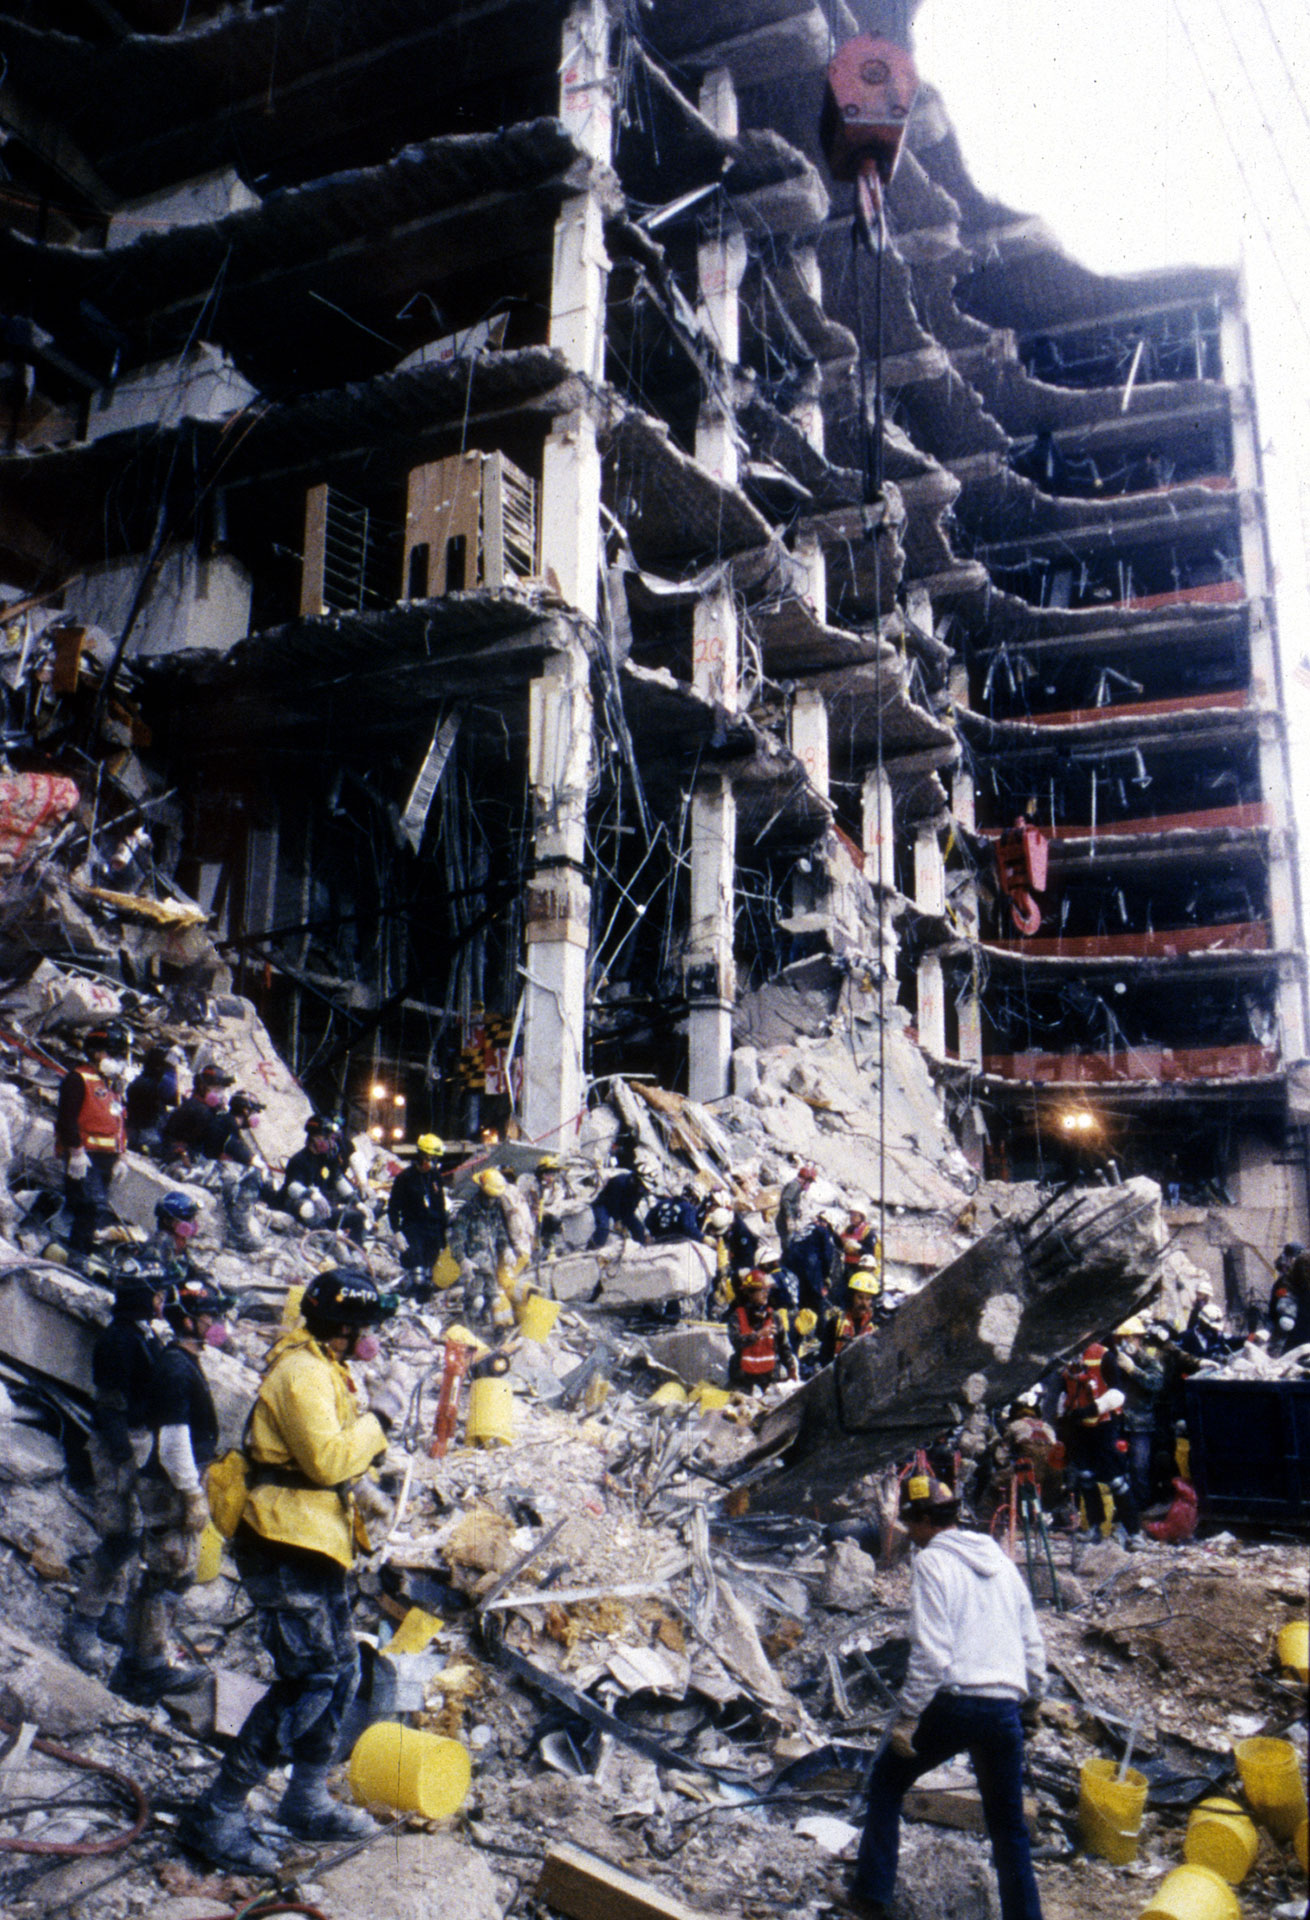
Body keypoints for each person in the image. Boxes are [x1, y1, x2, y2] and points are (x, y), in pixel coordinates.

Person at [178, 1267, 393, 1875]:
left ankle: (306, 1798)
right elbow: (324, 1460)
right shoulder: (301, 1373)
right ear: (344, 1328)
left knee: (342, 1670)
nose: (371, 1338)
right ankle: (217, 1813)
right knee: (310, 1679)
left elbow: (326, 1458)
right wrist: (378, 1425)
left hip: (314, 1539)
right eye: (365, 1328)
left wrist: (365, 1486)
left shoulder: (325, 1366)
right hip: (282, 1541)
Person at [847, 1473, 1046, 1920]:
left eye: (909, 1524)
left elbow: (932, 1653)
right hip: (1003, 1708)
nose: (909, 1534)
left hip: (955, 1702)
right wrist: (1033, 1701)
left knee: (887, 1782)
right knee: (1008, 1826)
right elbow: (1032, 1643)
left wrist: (908, 1716)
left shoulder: (932, 1562)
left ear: (922, 1520)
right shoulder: (1002, 1564)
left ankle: (871, 1895)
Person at [63, 1267, 205, 1696]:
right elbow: (109, 1407)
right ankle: (83, 1622)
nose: (163, 1301)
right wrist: (124, 1460)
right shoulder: (118, 1342)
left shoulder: (141, 1335)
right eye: (158, 1294)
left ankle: (112, 1612)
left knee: (134, 1533)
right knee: (119, 1539)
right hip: (119, 1447)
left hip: (137, 1442)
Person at [108, 1276, 230, 1704]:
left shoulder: (181, 1360)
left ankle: (138, 1661)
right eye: (210, 1317)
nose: (217, 1325)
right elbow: (173, 1439)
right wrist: (191, 1493)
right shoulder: (176, 1367)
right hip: (169, 1486)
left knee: (170, 1573)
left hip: (173, 1482)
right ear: (189, 1321)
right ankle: (147, 1669)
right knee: (169, 1572)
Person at [1056, 1342, 1143, 1549]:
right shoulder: (1065, 1355)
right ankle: (1094, 1527)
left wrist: (1092, 1409)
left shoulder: (1103, 1355)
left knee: (1115, 1480)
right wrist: (1062, 1421)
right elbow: (1063, 1392)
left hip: (1104, 1424)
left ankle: (1133, 1532)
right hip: (1078, 1426)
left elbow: (1117, 1393)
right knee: (1085, 1477)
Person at [55, 1023, 130, 1256]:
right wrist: (76, 1152)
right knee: (91, 1207)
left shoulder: (111, 1083)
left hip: (106, 1159)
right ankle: (76, 1257)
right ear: (95, 1053)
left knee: (94, 1212)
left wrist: (121, 1156)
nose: (118, 1060)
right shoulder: (78, 1079)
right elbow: (66, 1119)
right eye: (113, 1054)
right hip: (85, 1157)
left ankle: (81, 1252)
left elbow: (119, 1121)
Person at [279, 1117, 366, 1242]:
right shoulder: (299, 1160)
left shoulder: (327, 1158)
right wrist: (312, 1195)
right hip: (301, 1208)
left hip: (323, 1210)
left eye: (332, 1138)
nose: (332, 1143)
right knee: (307, 1208)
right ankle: (323, 1238)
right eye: (327, 1138)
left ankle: (354, 1249)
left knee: (359, 1218)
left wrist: (357, 1202)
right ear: (315, 1138)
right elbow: (293, 1187)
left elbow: (338, 1180)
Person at [386, 1134, 448, 1287]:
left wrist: (443, 1238)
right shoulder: (405, 1178)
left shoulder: (435, 1177)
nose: (433, 1163)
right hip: (413, 1228)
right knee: (417, 1271)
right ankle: (413, 1288)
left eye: (435, 1159)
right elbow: (393, 1207)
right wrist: (396, 1231)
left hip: (432, 1229)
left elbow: (440, 1207)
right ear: (421, 1156)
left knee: (431, 1273)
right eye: (431, 1158)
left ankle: (426, 1295)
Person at [724, 1271, 797, 1392]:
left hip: (769, 1379)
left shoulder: (774, 1316)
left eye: (767, 1290)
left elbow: (784, 1346)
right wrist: (758, 1335)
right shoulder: (737, 1317)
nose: (766, 1294)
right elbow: (736, 1341)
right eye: (762, 1290)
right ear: (750, 1293)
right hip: (744, 1380)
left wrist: (791, 1369)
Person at [819, 1264, 880, 1366]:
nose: (864, 1303)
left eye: (868, 1299)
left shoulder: (875, 1326)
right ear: (851, 1296)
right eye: (860, 1297)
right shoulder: (836, 1323)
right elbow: (824, 1357)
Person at [125, 1045, 180, 1154]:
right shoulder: (151, 1084)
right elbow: (172, 1097)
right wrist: (172, 1071)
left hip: (141, 1129)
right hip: (144, 1132)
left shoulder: (142, 1080)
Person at [587, 1162, 649, 1249]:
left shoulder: (640, 1190)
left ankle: (641, 1247)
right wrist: (617, 1220)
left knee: (638, 1228)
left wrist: (627, 1222)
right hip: (604, 1204)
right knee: (603, 1228)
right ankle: (593, 1248)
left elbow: (632, 1206)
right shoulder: (619, 1182)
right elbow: (613, 1202)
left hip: (622, 1207)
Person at [776, 1162, 817, 1250]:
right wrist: (789, 1217)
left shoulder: (797, 1188)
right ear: (805, 1180)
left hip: (787, 1220)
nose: (809, 1185)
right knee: (788, 1246)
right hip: (784, 1221)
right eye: (809, 1182)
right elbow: (786, 1200)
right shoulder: (795, 1186)